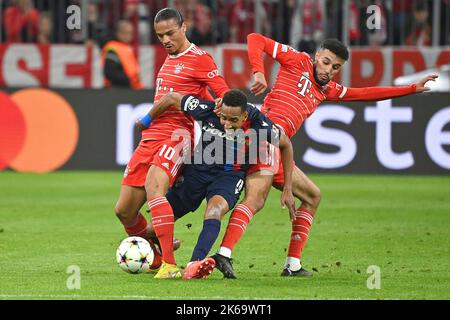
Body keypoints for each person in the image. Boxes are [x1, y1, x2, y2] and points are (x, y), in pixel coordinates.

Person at [212, 32, 438, 278]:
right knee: (255, 199)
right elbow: (255, 38)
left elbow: (365, 94)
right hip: (264, 138)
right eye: (326, 62)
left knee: (312, 196)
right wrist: (258, 71)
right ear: (317, 56)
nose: (329, 70)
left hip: (277, 148)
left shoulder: (328, 90)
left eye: (336, 67)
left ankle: (292, 265)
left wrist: (411, 89)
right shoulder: (297, 60)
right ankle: (223, 254)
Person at [113, 8, 229, 277]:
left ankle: (169, 264)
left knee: (155, 188)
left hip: (178, 134)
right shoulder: (169, 59)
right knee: (124, 211)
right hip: (151, 138)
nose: (165, 40)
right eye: (160, 35)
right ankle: (154, 256)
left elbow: (224, 98)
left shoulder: (201, 59)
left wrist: (200, 109)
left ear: (184, 27)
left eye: (170, 33)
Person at [136, 89, 295, 279]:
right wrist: (145, 120)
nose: (227, 124)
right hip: (196, 173)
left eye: (233, 120)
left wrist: (288, 188)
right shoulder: (208, 109)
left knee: (214, 211)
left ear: (244, 115)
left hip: (229, 176)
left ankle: (193, 265)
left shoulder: (260, 125)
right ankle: (162, 250)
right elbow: (171, 98)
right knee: (154, 228)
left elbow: (286, 145)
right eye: (223, 118)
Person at [101, 20, 144, 89]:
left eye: (131, 33)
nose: (130, 36)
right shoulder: (112, 48)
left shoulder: (125, 47)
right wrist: (128, 81)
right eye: (127, 33)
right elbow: (110, 72)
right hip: (118, 90)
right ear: (119, 33)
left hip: (131, 88)